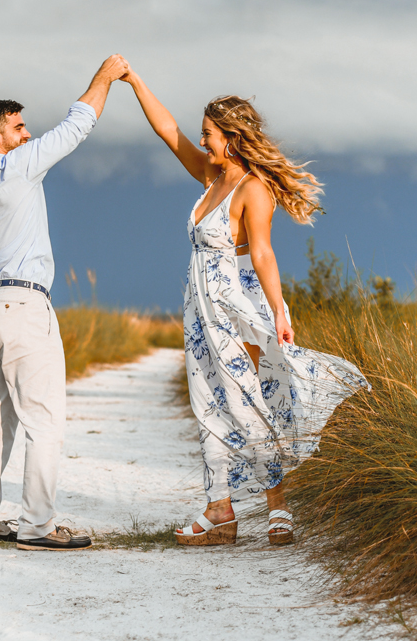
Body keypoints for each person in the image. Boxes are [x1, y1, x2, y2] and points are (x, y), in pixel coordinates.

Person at [121, 69, 370, 546]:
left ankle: (279, 508)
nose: (202, 141)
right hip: (200, 312)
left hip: (235, 305)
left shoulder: (252, 189)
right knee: (207, 402)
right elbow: (168, 131)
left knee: (244, 399)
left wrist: (279, 310)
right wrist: (134, 83)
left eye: (209, 134)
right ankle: (220, 511)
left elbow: (262, 253)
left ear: (232, 139)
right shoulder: (211, 176)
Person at [0, 54, 129, 551]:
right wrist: (105, 77)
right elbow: (78, 125)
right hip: (20, 305)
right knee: (43, 419)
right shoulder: (18, 167)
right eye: (18, 126)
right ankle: (37, 527)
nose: (27, 134)